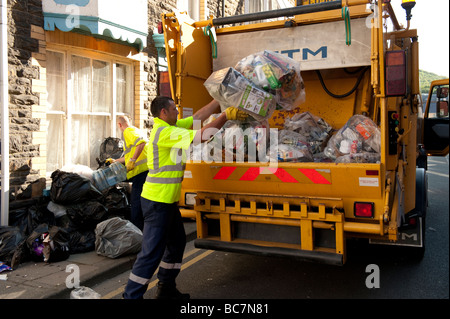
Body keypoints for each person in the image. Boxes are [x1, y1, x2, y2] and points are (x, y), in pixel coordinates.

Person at [123, 96, 247, 299]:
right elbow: (201, 136)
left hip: (167, 201)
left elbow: (198, 116)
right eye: (174, 109)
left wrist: (220, 98)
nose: (177, 112)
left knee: (177, 243)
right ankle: (131, 296)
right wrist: (225, 115)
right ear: (164, 112)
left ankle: (166, 288)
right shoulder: (165, 132)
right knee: (151, 253)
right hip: (157, 201)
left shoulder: (169, 125)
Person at [107, 115, 148, 230]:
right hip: (145, 172)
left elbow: (141, 143)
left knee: (136, 204)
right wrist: (116, 161)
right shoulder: (135, 130)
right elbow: (129, 155)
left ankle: (138, 232)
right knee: (141, 202)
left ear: (120, 125)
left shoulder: (128, 131)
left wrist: (132, 160)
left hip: (141, 173)